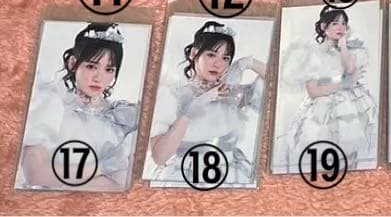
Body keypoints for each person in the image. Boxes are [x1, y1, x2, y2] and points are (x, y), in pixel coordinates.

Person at [19, 23, 138, 190]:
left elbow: (125, 186)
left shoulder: (122, 117)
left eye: (109, 69)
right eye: (91, 66)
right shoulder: (53, 105)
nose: (99, 78)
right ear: (73, 63)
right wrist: (102, 168)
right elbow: (35, 174)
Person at [147, 21, 267, 186]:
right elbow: (159, 157)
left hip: (231, 176)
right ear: (194, 54)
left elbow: (279, 80)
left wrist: (246, 63)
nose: (218, 64)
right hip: (184, 177)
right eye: (211, 55)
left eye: (225, 58)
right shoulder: (174, 96)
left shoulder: (232, 94)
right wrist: (192, 109)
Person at [279, 7, 376, 169]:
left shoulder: (347, 50)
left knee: (350, 154)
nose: (340, 27)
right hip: (324, 106)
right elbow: (313, 91)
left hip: (349, 105)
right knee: (327, 154)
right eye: (335, 23)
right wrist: (344, 84)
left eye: (344, 24)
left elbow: (350, 70)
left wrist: (343, 45)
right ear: (324, 26)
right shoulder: (313, 54)